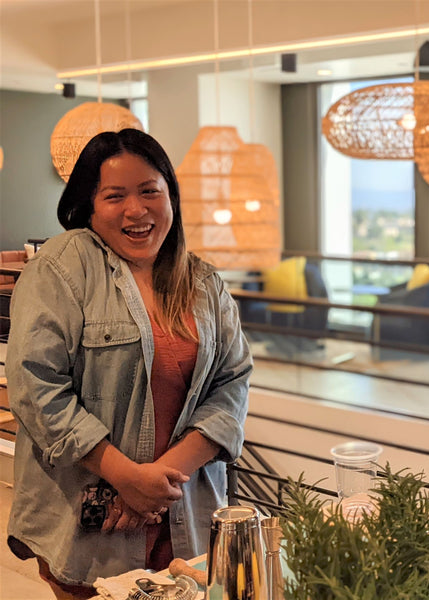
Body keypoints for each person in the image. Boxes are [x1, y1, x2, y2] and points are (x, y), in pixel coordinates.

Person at [5, 128, 252, 598]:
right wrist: (124, 475)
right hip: (91, 525)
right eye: (115, 195)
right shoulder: (61, 268)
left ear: (170, 197)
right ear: (90, 206)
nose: (135, 210)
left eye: (149, 191)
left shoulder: (202, 281)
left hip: (185, 513)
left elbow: (232, 382)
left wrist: (154, 486)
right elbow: (37, 388)